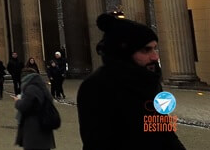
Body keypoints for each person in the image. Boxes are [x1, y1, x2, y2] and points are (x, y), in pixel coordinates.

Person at [77, 13, 186, 149]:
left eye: (155, 48)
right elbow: (97, 143)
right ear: (124, 52)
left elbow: (164, 131)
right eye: (146, 50)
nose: (155, 56)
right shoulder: (96, 86)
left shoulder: (150, 81)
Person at [14, 67, 56, 150]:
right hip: (44, 125)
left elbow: (24, 106)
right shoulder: (42, 87)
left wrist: (17, 101)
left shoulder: (31, 88)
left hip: (34, 127)